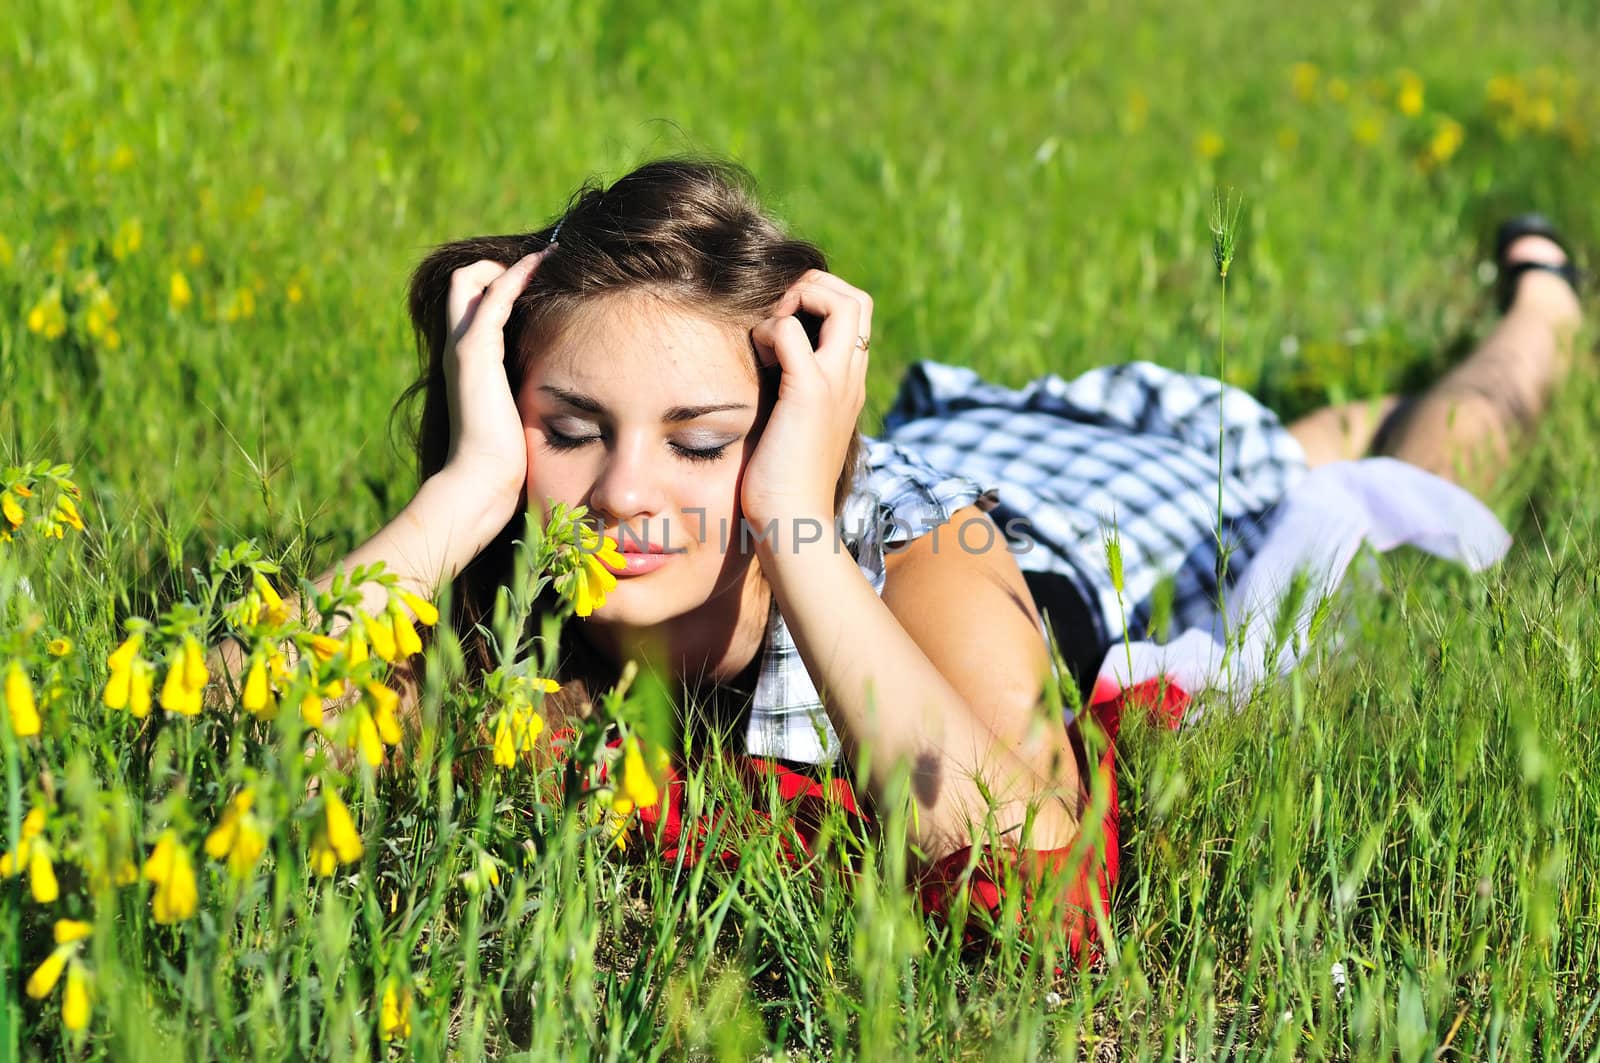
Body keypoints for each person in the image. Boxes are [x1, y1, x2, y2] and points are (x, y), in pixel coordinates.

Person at [310, 158, 1582, 956]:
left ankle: (1542, 301)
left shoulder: (929, 555)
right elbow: (235, 737)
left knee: (1392, 465)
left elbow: (1041, 882)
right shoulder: (516, 572)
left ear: (780, 442)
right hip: (932, 436)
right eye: (570, 429)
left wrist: (796, 521)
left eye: (699, 443)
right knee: (1323, 434)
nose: (625, 494)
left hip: (1101, 497)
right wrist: (468, 488)